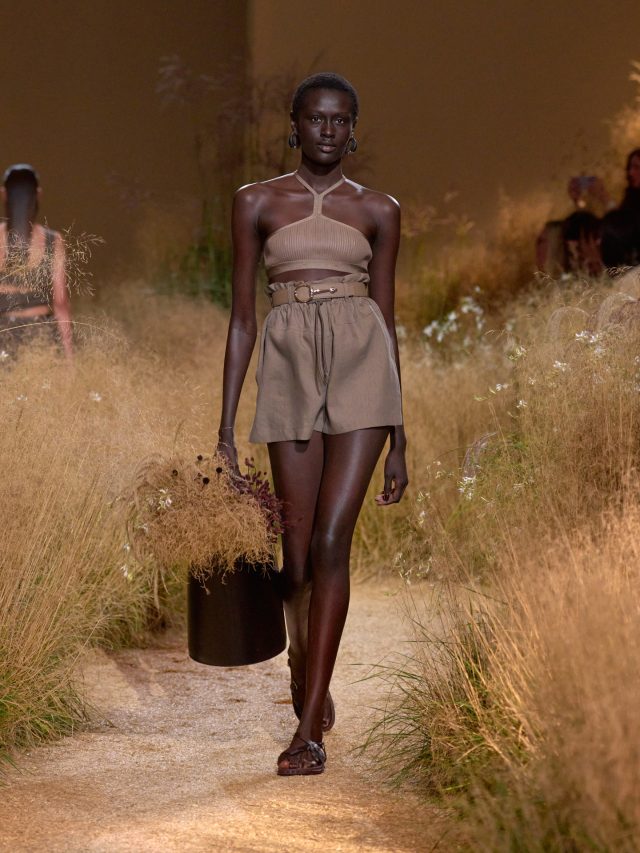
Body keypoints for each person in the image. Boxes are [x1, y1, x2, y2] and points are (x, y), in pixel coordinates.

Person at [217, 72, 407, 776]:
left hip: (362, 367)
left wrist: (400, 436)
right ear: (294, 124)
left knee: (331, 542)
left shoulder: (379, 209)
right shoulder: (256, 202)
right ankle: (304, 663)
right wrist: (224, 429)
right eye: (316, 118)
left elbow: (387, 319)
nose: (329, 129)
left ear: (353, 129)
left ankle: (308, 731)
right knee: (294, 557)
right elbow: (242, 319)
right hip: (290, 365)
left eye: (341, 119)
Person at [0, 164, 72, 358]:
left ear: (4, 194)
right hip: (41, 337)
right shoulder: (52, 240)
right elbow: (61, 304)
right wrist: (69, 359)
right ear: (38, 194)